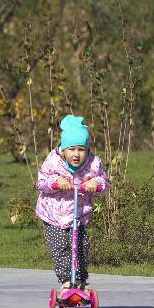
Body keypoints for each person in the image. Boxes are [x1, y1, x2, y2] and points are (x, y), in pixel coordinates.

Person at [35, 115, 110, 291]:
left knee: (82, 247)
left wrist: (96, 184)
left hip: (79, 215)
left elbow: (105, 182)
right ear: (63, 149)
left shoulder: (93, 164)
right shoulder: (54, 161)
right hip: (54, 215)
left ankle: (81, 282)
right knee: (61, 247)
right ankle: (67, 282)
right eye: (72, 149)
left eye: (81, 149)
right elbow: (41, 181)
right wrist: (55, 182)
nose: (76, 154)